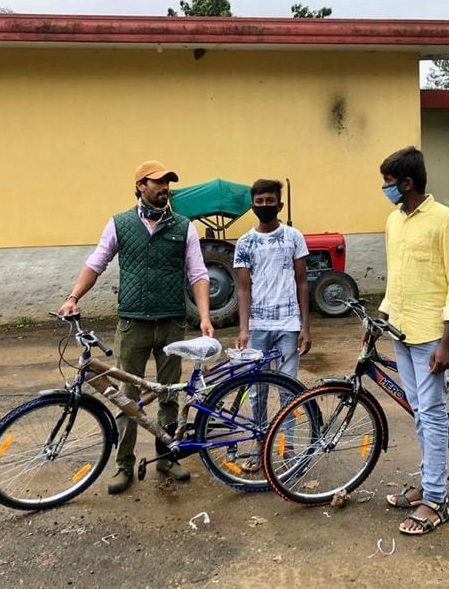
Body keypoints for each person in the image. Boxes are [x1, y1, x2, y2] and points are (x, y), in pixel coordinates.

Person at [58, 160, 214, 495]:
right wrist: (72, 297)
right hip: (133, 325)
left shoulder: (183, 226)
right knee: (126, 397)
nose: (165, 188)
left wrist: (204, 316)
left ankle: (167, 456)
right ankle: (124, 464)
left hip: (172, 324)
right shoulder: (120, 224)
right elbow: (96, 264)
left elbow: (198, 274)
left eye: (168, 183)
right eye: (158, 182)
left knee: (169, 393)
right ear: (140, 185)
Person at [371, 146, 449, 535]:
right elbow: (396, 278)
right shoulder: (393, 222)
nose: (385, 189)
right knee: (418, 411)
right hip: (401, 330)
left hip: (431, 336)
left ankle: (436, 501)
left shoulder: (445, 220)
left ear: (407, 183)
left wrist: (447, 342)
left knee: (431, 413)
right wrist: (380, 317)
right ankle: (431, 482)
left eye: (389, 183)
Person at [233, 179, 312, 471]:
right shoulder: (244, 243)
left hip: (289, 326)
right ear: (253, 205)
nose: (264, 205)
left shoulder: (294, 237)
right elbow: (243, 289)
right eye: (259, 201)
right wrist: (244, 330)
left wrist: (305, 326)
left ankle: (286, 447)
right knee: (257, 391)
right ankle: (259, 445)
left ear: (279, 204)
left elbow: (302, 282)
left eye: (270, 200)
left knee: (288, 390)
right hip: (257, 327)